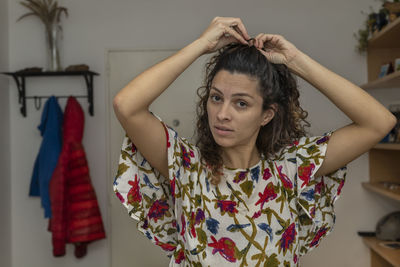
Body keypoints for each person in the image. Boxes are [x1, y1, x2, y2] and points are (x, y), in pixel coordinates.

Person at [112, 17, 397, 266]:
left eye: (241, 104)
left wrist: (295, 61)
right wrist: (201, 45)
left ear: (266, 115)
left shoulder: (290, 168)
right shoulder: (187, 168)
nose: (222, 114)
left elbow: (379, 123)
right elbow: (127, 105)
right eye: (216, 98)